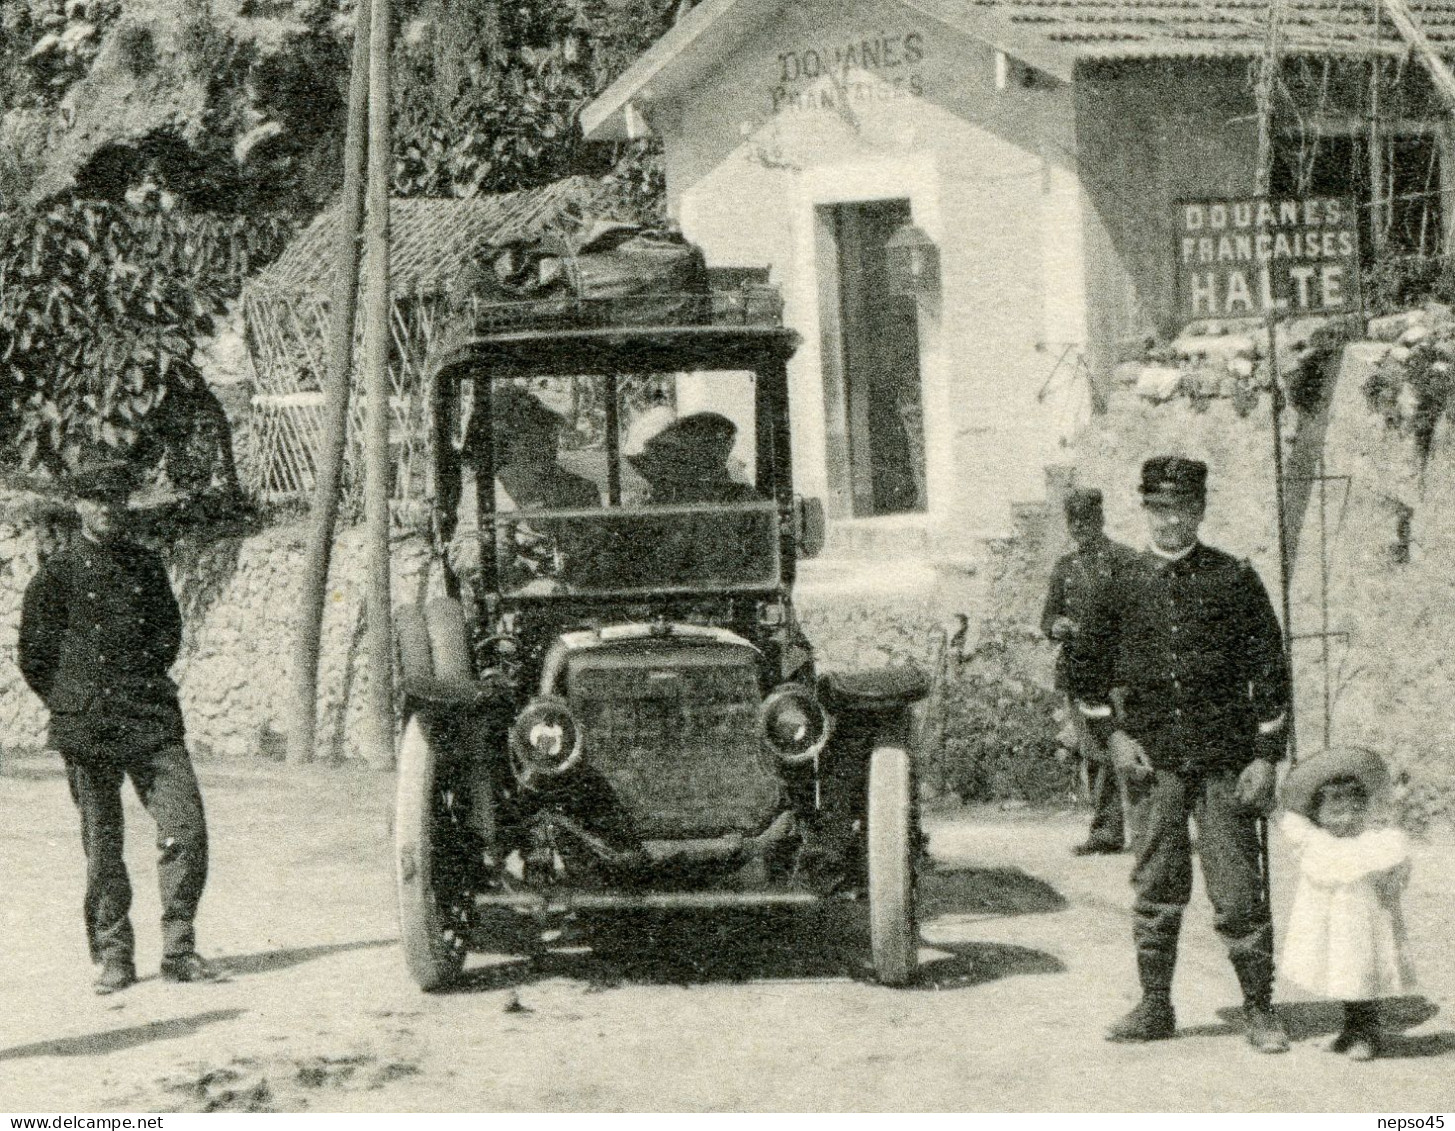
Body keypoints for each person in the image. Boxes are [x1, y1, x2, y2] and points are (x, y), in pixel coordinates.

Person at [1092, 456, 1292, 1052]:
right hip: (1153, 764)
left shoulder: (1234, 579)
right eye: (1159, 509)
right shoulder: (1120, 582)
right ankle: (1156, 1007)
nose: (1170, 521)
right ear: (1145, 511)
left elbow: (1271, 674)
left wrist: (1265, 755)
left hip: (1225, 761)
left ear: (1200, 511)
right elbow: (1084, 672)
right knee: (1156, 885)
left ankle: (1259, 1009)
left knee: (1236, 891)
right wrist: (1115, 737)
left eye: (1181, 509)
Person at [18, 459, 217, 995]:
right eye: (95, 500)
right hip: (87, 725)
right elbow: (33, 656)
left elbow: (166, 635)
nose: (106, 509)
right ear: (80, 506)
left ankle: (178, 947)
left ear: (125, 505)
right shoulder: (56, 574)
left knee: (186, 829)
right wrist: (70, 701)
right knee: (103, 845)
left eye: (115, 500)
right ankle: (114, 953)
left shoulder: (146, 567)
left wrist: (138, 681)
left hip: (148, 716)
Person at [1279, 747, 1416, 1061]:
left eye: (1355, 807)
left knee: (1361, 972)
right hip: (1334, 928)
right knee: (1342, 972)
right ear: (1318, 813)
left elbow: (1393, 850)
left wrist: (1396, 805)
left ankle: (1366, 1030)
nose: (1346, 816)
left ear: (1365, 807)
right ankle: (1350, 1028)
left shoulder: (1372, 845)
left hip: (1363, 927)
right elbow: (1292, 825)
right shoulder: (1319, 845)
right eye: (1335, 808)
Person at [1040, 487, 1140, 856]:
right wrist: (1057, 626)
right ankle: (1106, 832)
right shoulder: (1063, 569)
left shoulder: (1124, 560)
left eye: (1088, 520)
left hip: (1118, 671)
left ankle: (1148, 828)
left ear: (1101, 520)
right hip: (1079, 673)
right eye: (1075, 522)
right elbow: (1046, 619)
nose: (1081, 527)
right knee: (1095, 752)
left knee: (1132, 745)